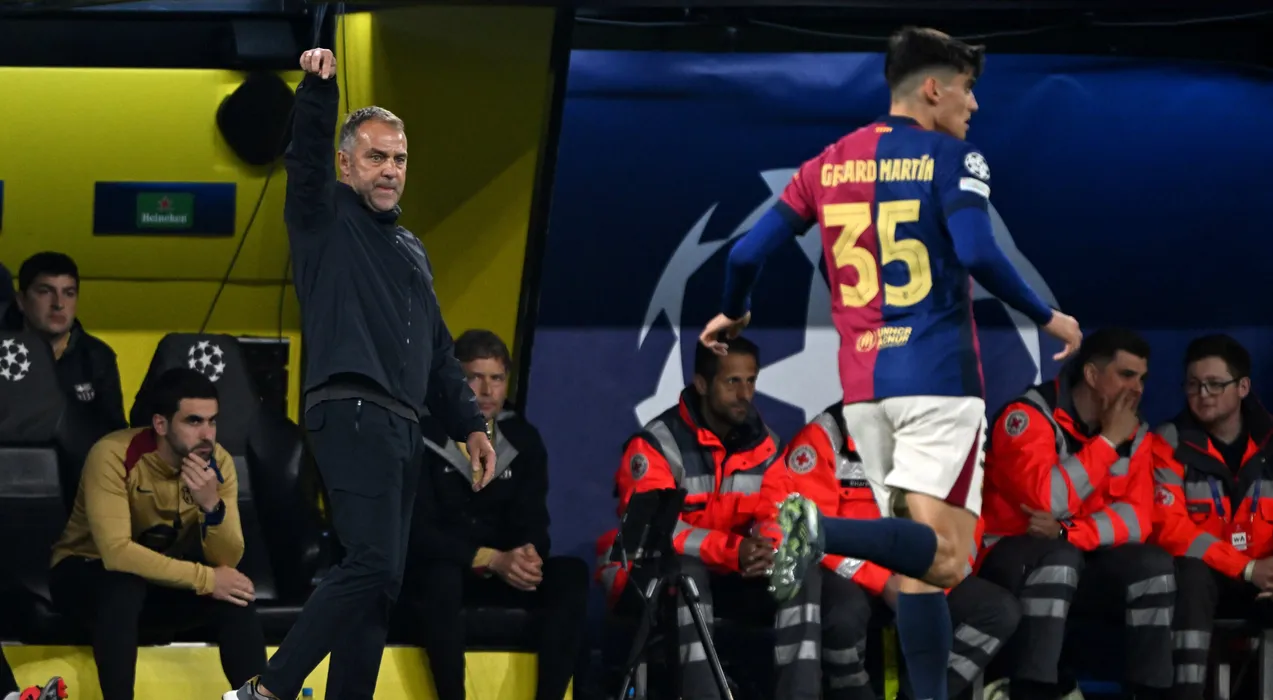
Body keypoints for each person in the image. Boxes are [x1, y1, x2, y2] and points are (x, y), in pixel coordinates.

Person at [701, 26, 1083, 700]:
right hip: (937, 385)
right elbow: (978, 251)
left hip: (864, 395)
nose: (973, 105)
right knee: (949, 560)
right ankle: (818, 528)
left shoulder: (826, 165)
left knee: (916, 568)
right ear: (933, 88)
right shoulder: (952, 158)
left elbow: (743, 255)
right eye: (967, 89)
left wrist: (733, 311)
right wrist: (1046, 314)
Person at [228, 47, 497, 700]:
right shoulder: (323, 216)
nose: (390, 170)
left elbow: (437, 349)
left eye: (398, 159)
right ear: (346, 164)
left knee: (380, 583)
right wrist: (319, 91)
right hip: (351, 409)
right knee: (374, 563)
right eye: (376, 157)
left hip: (402, 425)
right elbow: (305, 159)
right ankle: (268, 690)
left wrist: (471, 425)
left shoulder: (410, 248)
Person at [596, 338, 867, 700]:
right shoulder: (658, 444)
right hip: (651, 576)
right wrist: (734, 551)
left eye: (750, 381)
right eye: (732, 382)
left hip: (732, 574)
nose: (744, 394)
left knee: (798, 568)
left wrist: (767, 546)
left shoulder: (766, 446)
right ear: (702, 384)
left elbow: (776, 511)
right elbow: (655, 531)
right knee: (686, 572)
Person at [758, 404, 1021, 700]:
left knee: (998, 611)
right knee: (844, 613)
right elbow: (809, 527)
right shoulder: (825, 436)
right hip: (853, 574)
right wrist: (883, 581)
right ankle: (853, 691)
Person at [977, 329, 1174, 700]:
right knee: (1059, 558)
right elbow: (1047, 501)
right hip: (1007, 559)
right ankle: (1035, 690)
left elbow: (1137, 519)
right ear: (1092, 375)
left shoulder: (1135, 432)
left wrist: (1069, 531)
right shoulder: (1029, 415)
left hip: (1076, 553)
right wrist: (1107, 442)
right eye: (1126, 375)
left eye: (1142, 378)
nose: (1137, 388)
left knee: (1153, 565)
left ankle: (1151, 693)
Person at [49, 368, 265, 700]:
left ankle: (259, 697)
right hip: (85, 576)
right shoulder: (113, 454)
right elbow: (117, 553)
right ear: (161, 425)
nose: (207, 434)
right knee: (124, 586)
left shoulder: (218, 463)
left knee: (235, 596)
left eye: (212, 421)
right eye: (194, 421)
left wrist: (213, 507)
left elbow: (227, 559)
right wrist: (206, 579)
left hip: (156, 584)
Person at [403, 329, 589, 700]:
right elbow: (417, 532)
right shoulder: (419, 436)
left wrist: (529, 553)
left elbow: (534, 519)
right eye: (474, 378)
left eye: (497, 378)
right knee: (440, 576)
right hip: (443, 567)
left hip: (502, 569)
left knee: (571, 574)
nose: (487, 391)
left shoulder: (522, 438)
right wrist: (488, 558)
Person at [1152, 335, 1273, 700]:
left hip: (1265, 577)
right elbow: (1170, 528)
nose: (1203, 394)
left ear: (1243, 387)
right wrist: (1246, 568)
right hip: (1205, 580)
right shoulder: (1168, 442)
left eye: (1215, 384)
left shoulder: (1271, 443)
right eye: (1193, 385)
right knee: (1190, 574)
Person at [1, 253, 127, 455]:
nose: (58, 304)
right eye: (45, 292)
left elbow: (114, 437)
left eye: (69, 293)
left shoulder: (97, 356)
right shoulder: (4, 349)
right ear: (21, 301)